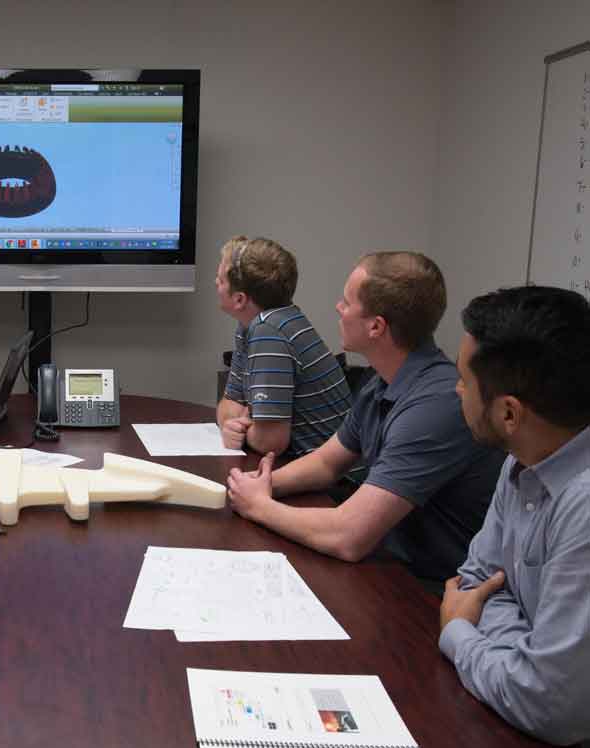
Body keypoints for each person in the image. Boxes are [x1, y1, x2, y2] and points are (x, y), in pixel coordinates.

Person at [226, 252, 504, 583]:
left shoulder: (435, 406)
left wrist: (260, 507)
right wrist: (262, 485)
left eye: (346, 302)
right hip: (393, 563)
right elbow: (327, 463)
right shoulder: (382, 381)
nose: (338, 309)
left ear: (376, 326)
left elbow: (349, 537)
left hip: (432, 589)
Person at [439, 286, 590, 747]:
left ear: (509, 412)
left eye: (465, 379)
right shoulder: (523, 459)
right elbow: (476, 582)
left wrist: (459, 632)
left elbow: (549, 706)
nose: (457, 388)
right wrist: (523, 649)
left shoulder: (584, 504)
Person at [215, 235, 353, 457]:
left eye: (220, 280)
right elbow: (229, 403)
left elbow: (270, 442)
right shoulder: (255, 324)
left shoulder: (269, 331)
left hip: (332, 480)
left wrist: (240, 428)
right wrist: (235, 422)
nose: (215, 284)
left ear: (240, 299)